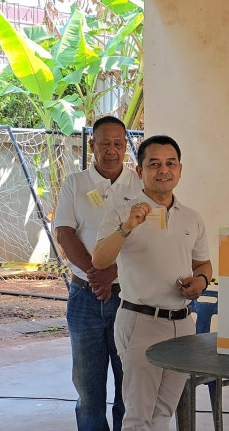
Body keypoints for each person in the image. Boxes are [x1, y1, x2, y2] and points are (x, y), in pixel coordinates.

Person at [92, 135, 212, 431]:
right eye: (154, 164)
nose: (163, 170)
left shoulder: (192, 218)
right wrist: (127, 228)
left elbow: (203, 264)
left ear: (180, 169)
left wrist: (200, 281)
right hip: (141, 322)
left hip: (183, 324)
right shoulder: (123, 213)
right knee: (138, 416)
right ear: (140, 170)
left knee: (164, 411)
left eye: (170, 163)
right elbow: (100, 260)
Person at [54, 116, 142, 430]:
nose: (112, 151)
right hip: (84, 296)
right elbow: (64, 232)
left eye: (118, 144)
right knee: (88, 391)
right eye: (105, 143)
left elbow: (147, 242)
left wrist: (113, 272)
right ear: (92, 145)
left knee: (128, 388)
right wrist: (97, 274)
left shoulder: (140, 184)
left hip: (130, 298)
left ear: (126, 146)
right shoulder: (75, 184)